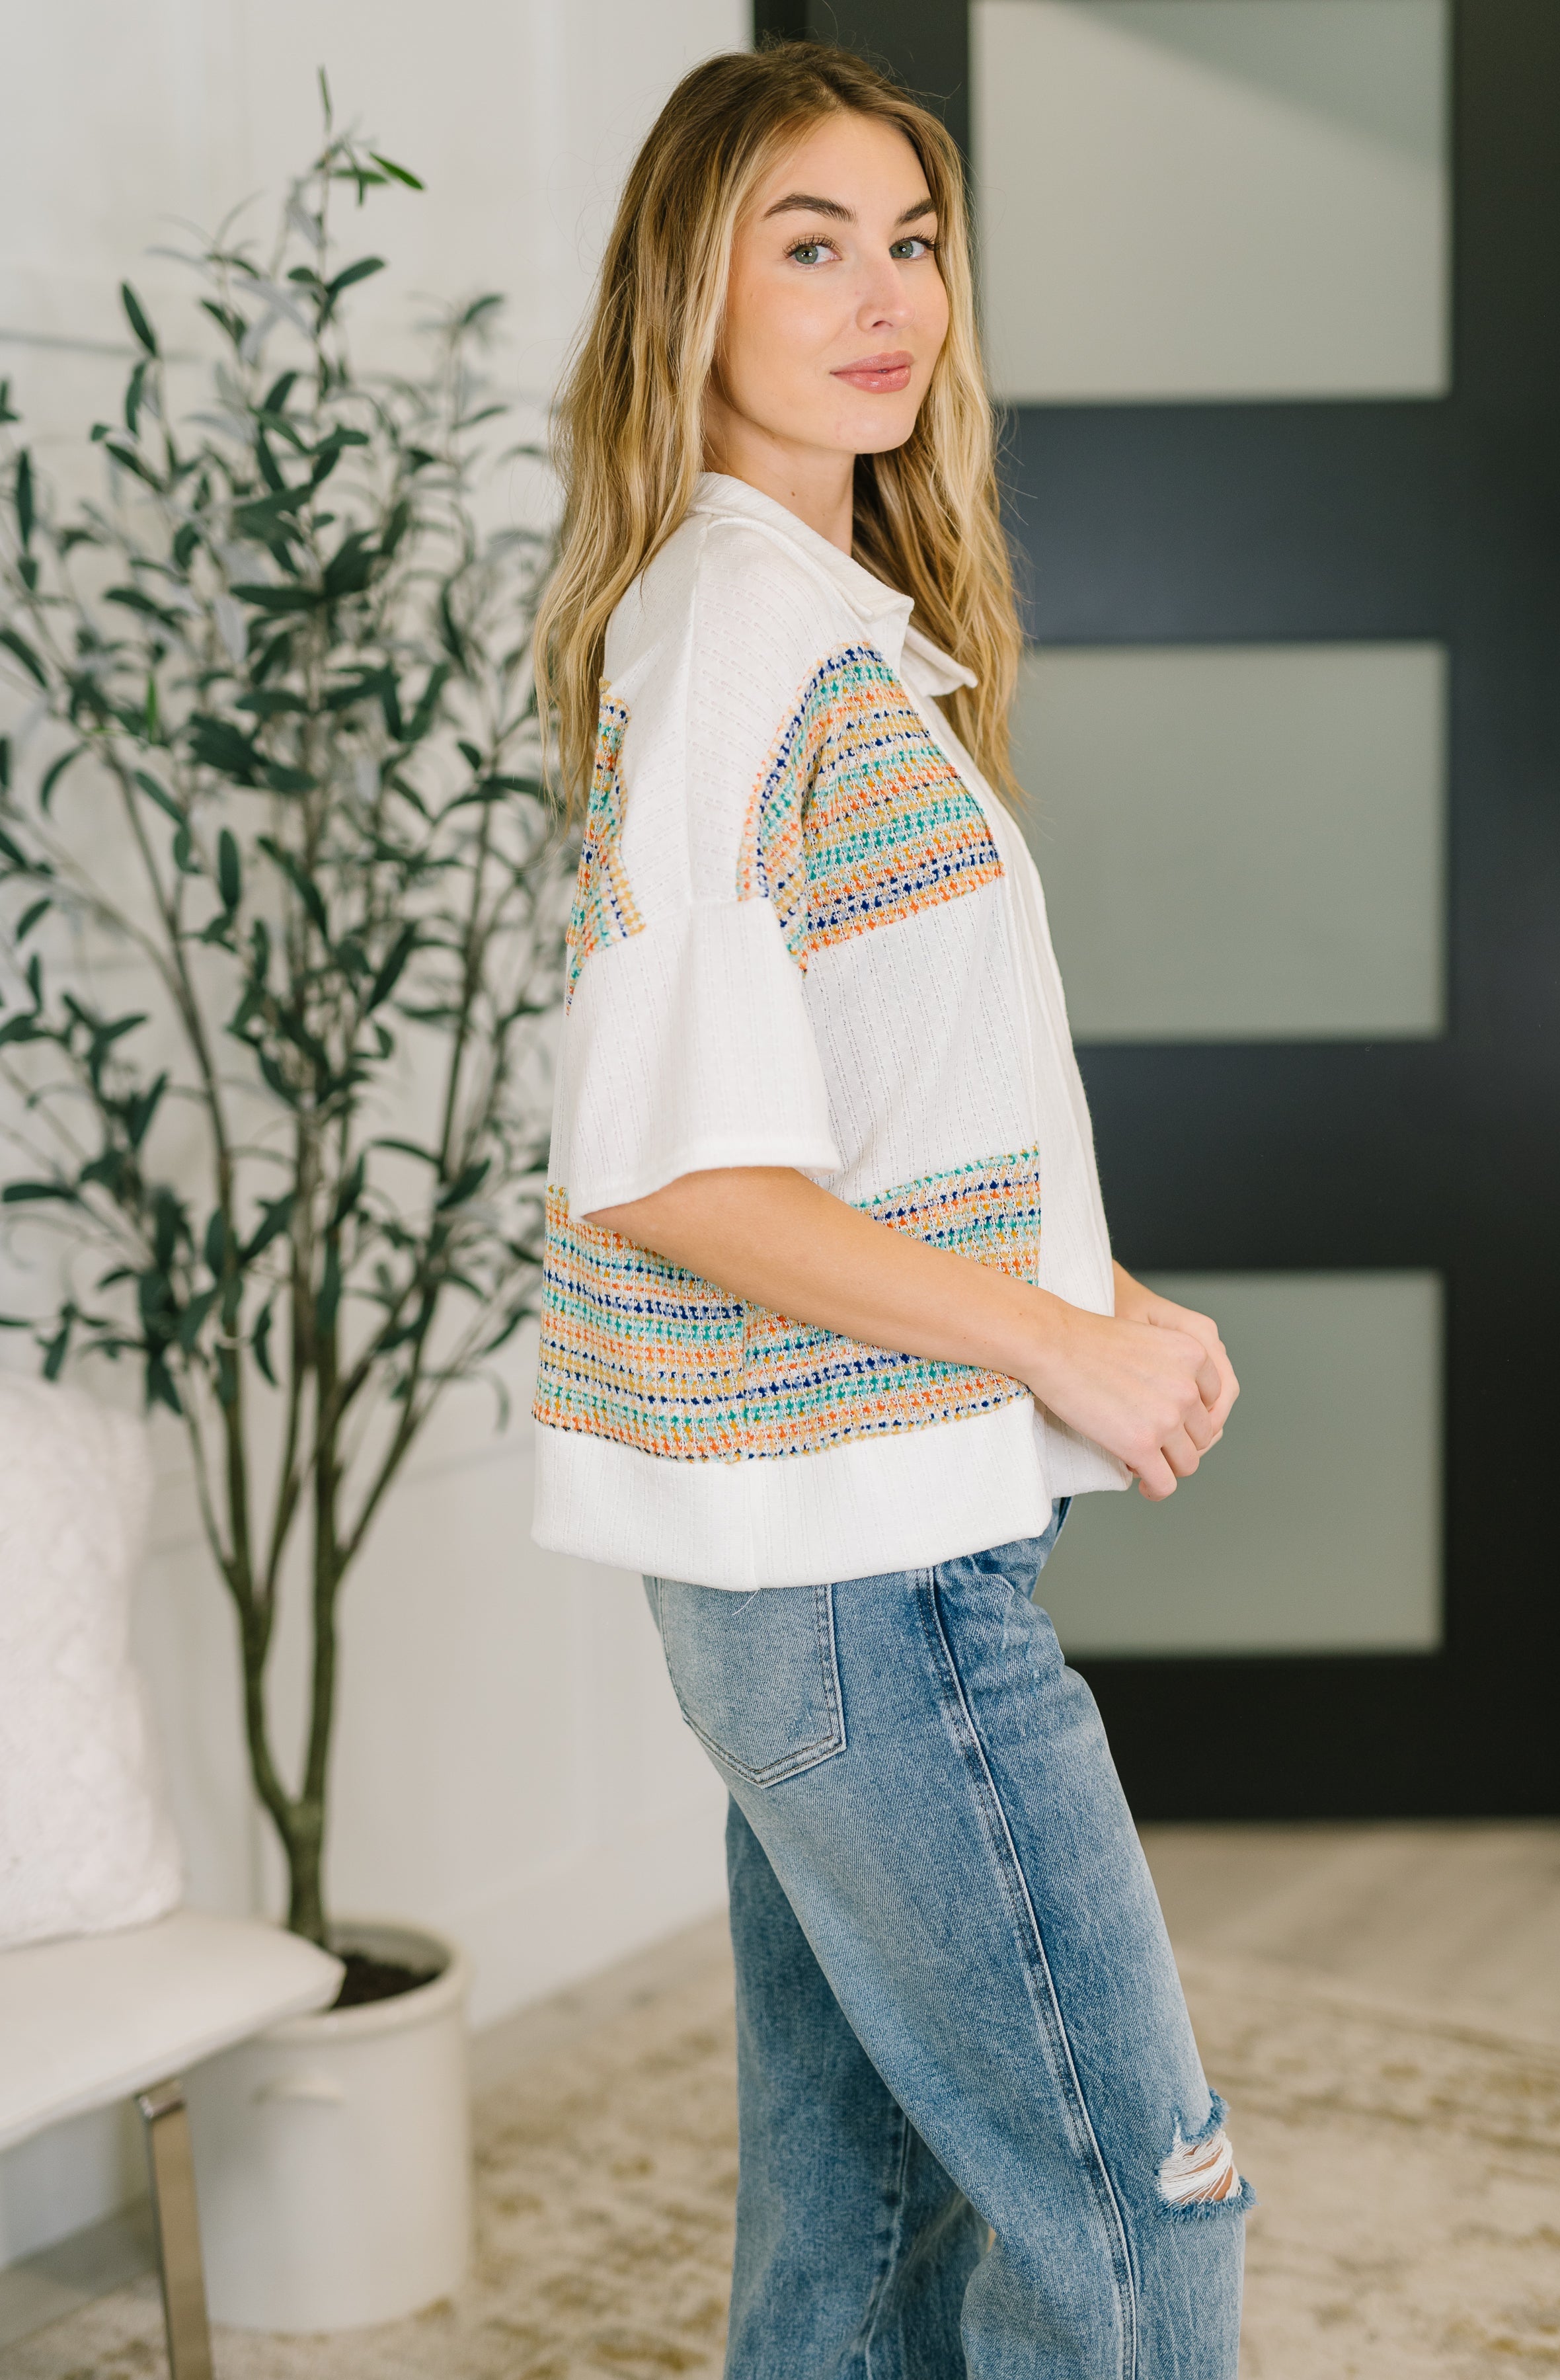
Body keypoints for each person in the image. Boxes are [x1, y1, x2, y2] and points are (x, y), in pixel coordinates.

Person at [531, 39, 1247, 2379]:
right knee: (1140, 2214)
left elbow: (875, 1113)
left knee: (861, 2232)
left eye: (911, 242)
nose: (883, 299)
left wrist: (1096, 1291)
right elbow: (667, 1168)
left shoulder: (826, 627)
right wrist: (1057, 1346)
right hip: (864, 1580)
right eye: (809, 245)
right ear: (690, 292)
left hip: (841, 1563)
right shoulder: (736, 633)